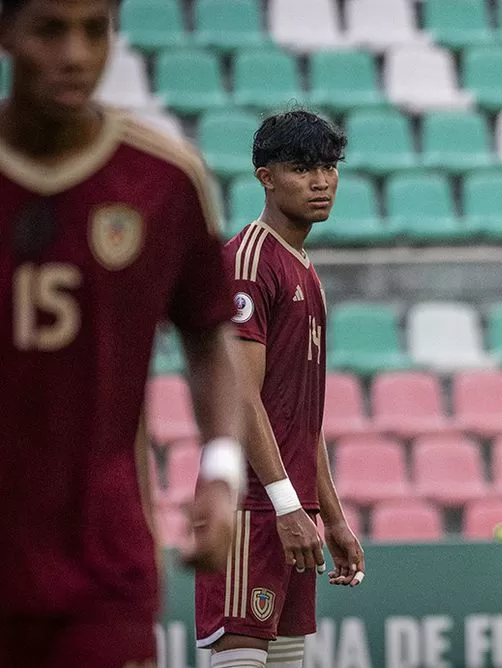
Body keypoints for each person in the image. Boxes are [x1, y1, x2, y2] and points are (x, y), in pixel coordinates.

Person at [0, 0, 244, 666]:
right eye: (50, 30)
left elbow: (206, 332)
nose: (75, 55)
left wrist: (221, 470)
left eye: (94, 30)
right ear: (6, 34)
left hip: (102, 566)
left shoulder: (163, 179)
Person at [195, 110, 365, 668]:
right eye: (301, 169)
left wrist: (331, 516)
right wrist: (288, 506)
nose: (320, 182)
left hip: (290, 510)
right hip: (251, 508)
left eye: (328, 168)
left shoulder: (304, 269)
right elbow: (240, 397)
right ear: (265, 177)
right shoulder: (249, 262)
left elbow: (299, 417)